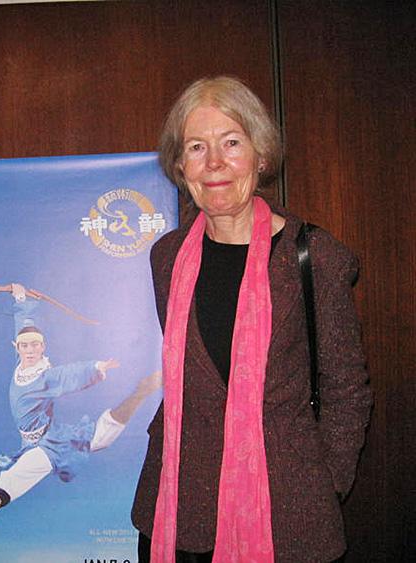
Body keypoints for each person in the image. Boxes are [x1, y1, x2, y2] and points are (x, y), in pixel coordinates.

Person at [131, 77, 372, 563]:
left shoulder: (313, 256)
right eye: (197, 147)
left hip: (286, 512)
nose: (214, 163)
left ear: (260, 156)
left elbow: (347, 388)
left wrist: (323, 484)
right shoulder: (168, 258)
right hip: (179, 507)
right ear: (180, 166)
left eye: (232, 143)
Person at [0, 283, 160, 529]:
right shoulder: (21, 364)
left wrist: (96, 368)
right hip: (29, 442)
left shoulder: (46, 376)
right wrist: (17, 293)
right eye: (24, 346)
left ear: (43, 347)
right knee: (15, 472)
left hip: (48, 441)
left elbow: (68, 375)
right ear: (16, 347)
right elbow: (23, 322)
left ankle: (139, 393)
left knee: (94, 441)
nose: (30, 350)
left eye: (35, 345)